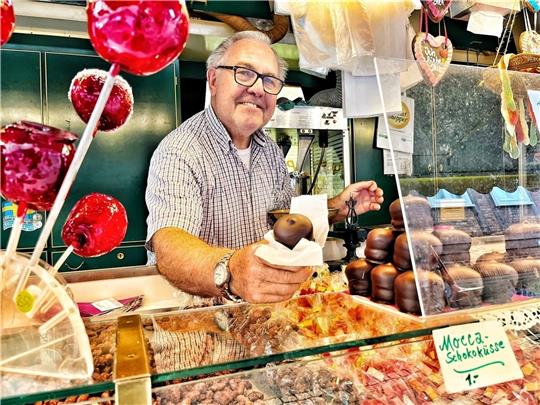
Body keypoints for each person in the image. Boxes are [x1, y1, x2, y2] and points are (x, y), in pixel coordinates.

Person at [145, 31, 383, 304]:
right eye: (244, 73)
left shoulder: (269, 150)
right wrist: (231, 271)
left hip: (264, 319)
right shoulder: (181, 151)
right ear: (213, 79)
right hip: (203, 323)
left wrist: (336, 207)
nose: (258, 88)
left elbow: (283, 219)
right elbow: (169, 245)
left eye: (270, 80)